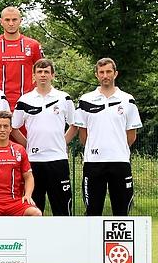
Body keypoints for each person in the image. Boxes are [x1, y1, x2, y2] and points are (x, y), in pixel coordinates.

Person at [74, 58, 142, 216]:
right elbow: (83, 134)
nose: (105, 75)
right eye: (102, 72)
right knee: (92, 211)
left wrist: (117, 148)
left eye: (109, 71)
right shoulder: (85, 100)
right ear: (96, 75)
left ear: (115, 73)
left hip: (120, 162)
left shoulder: (127, 99)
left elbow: (131, 135)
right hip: (93, 163)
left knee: (122, 211)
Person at [11, 58, 75, 215]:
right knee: (34, 209)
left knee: (62, 208)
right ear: (34, 76)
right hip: (34, 162)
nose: (43, 75)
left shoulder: (64, 98)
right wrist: (28, 145)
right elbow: (14, 128)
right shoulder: (24, 100)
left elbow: (74, 125)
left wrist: (62, 143)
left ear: (53, 75)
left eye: (46, 72)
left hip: (58, 160)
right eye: (39, 72)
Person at [0, 111, 41, 216]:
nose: (2, 129)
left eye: (6, 126)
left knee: (36, 213)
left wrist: (28, 195)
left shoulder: (19, 149)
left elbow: (28, 177)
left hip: (16, 202)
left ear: (11, 128)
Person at [0, 6, 43, 109]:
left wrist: (35, 91)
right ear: (1, 21)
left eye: (14, 20)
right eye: (7, 20)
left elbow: (44, 71)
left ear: (20, 21)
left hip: (28, 102)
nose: (11, 23)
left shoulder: (33, 45)